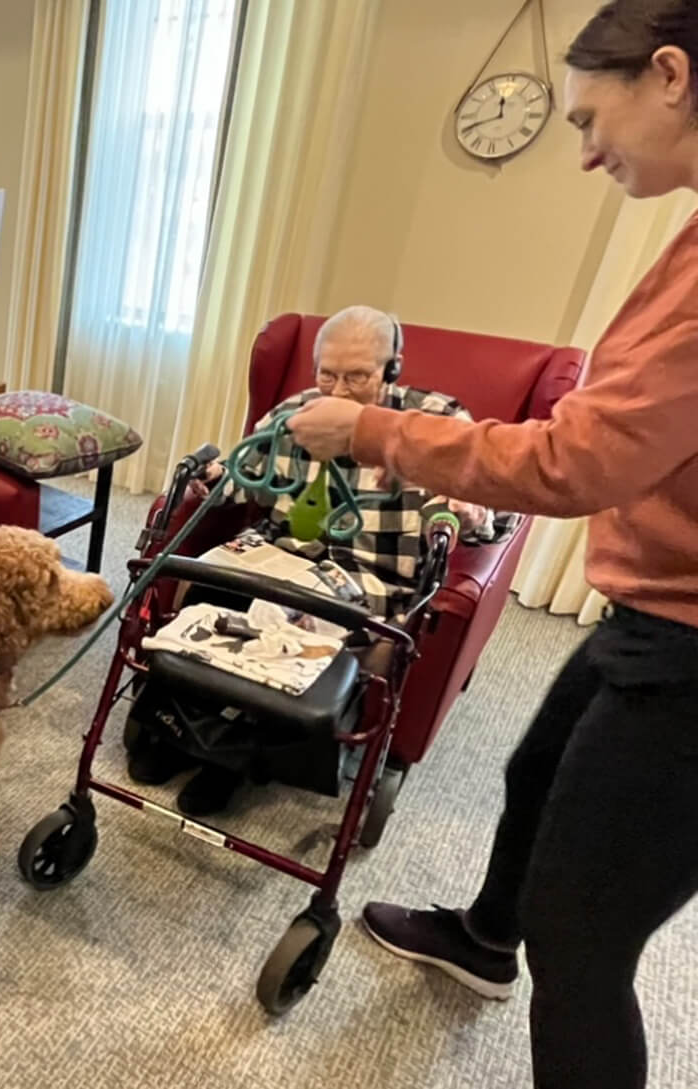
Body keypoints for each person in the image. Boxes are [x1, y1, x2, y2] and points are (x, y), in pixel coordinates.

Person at [287, 6, 698, 1086]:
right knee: (534, 770)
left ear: (668, 74)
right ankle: (479, 940)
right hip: (652, 610)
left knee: (585, 937)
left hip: (691, 649)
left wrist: (372, 434)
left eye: (587, 117)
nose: (584, 151)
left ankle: (525, 952)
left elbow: (573, 463)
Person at [127, 305, 515, 816]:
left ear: (392, 367)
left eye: (357, 376)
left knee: (286, 640)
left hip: (369, 577)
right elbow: (244, 473)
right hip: (278, 553)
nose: (338, 391)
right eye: (327, 374)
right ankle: (179, 732)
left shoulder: (436, 422)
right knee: (207, 596)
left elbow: (499, 517)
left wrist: (470, 510)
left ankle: (229, 760)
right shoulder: (297, 413)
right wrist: (210, 478)